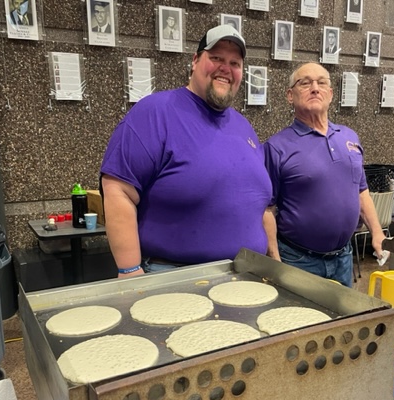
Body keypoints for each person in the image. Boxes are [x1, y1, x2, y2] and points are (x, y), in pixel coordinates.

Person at [100, 25, 273, 277]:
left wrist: (272, 258)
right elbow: (118, 189)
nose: (226, 68)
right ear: (194, 61)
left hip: (246, 275)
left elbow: (261, 204)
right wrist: (129, 271)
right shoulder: (154, 113)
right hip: (175, 277)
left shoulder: (243, 126)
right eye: (216, 58)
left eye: (234, 63)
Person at [264, 62, 385, 287]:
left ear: (330, 94)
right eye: (305, 83)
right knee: (300, 320)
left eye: (321, 82)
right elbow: (266, 209)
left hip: (344, 258)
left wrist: (377, 233)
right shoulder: (276, 147)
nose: (315, 88)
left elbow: (361, 192)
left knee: (342, 321)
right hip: (298, 260)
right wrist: (275, 260)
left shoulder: (350, 138)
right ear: (290, 95)